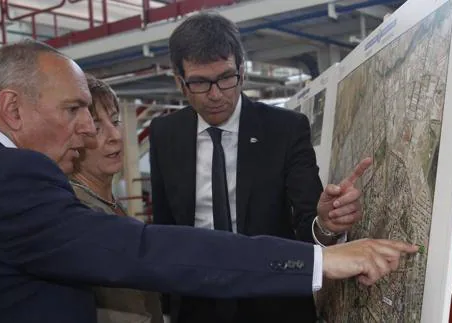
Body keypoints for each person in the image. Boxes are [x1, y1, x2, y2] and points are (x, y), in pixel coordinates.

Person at [0, 39, 418, 323]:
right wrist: (320, 263)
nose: (89, 130)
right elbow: (148, 247)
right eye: (74, 110)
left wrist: (323, 234)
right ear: (12, 109)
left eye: (227, 78)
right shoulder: (11, 177)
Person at [149, 12, 368, 323]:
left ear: (242, 71)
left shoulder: (286, 129)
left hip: (274, 302)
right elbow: (164, 228)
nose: (215, 94)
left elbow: (309, 221)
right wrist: (167, 309)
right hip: (197, 303)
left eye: (226, 78)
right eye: (199, 82)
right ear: (180, 82)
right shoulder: (164, 134)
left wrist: (327, 225)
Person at [69, 75, 163, 323]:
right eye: (97, 128)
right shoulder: (81, 214)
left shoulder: (107, 202)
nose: (115, 136)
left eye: (115, 121)